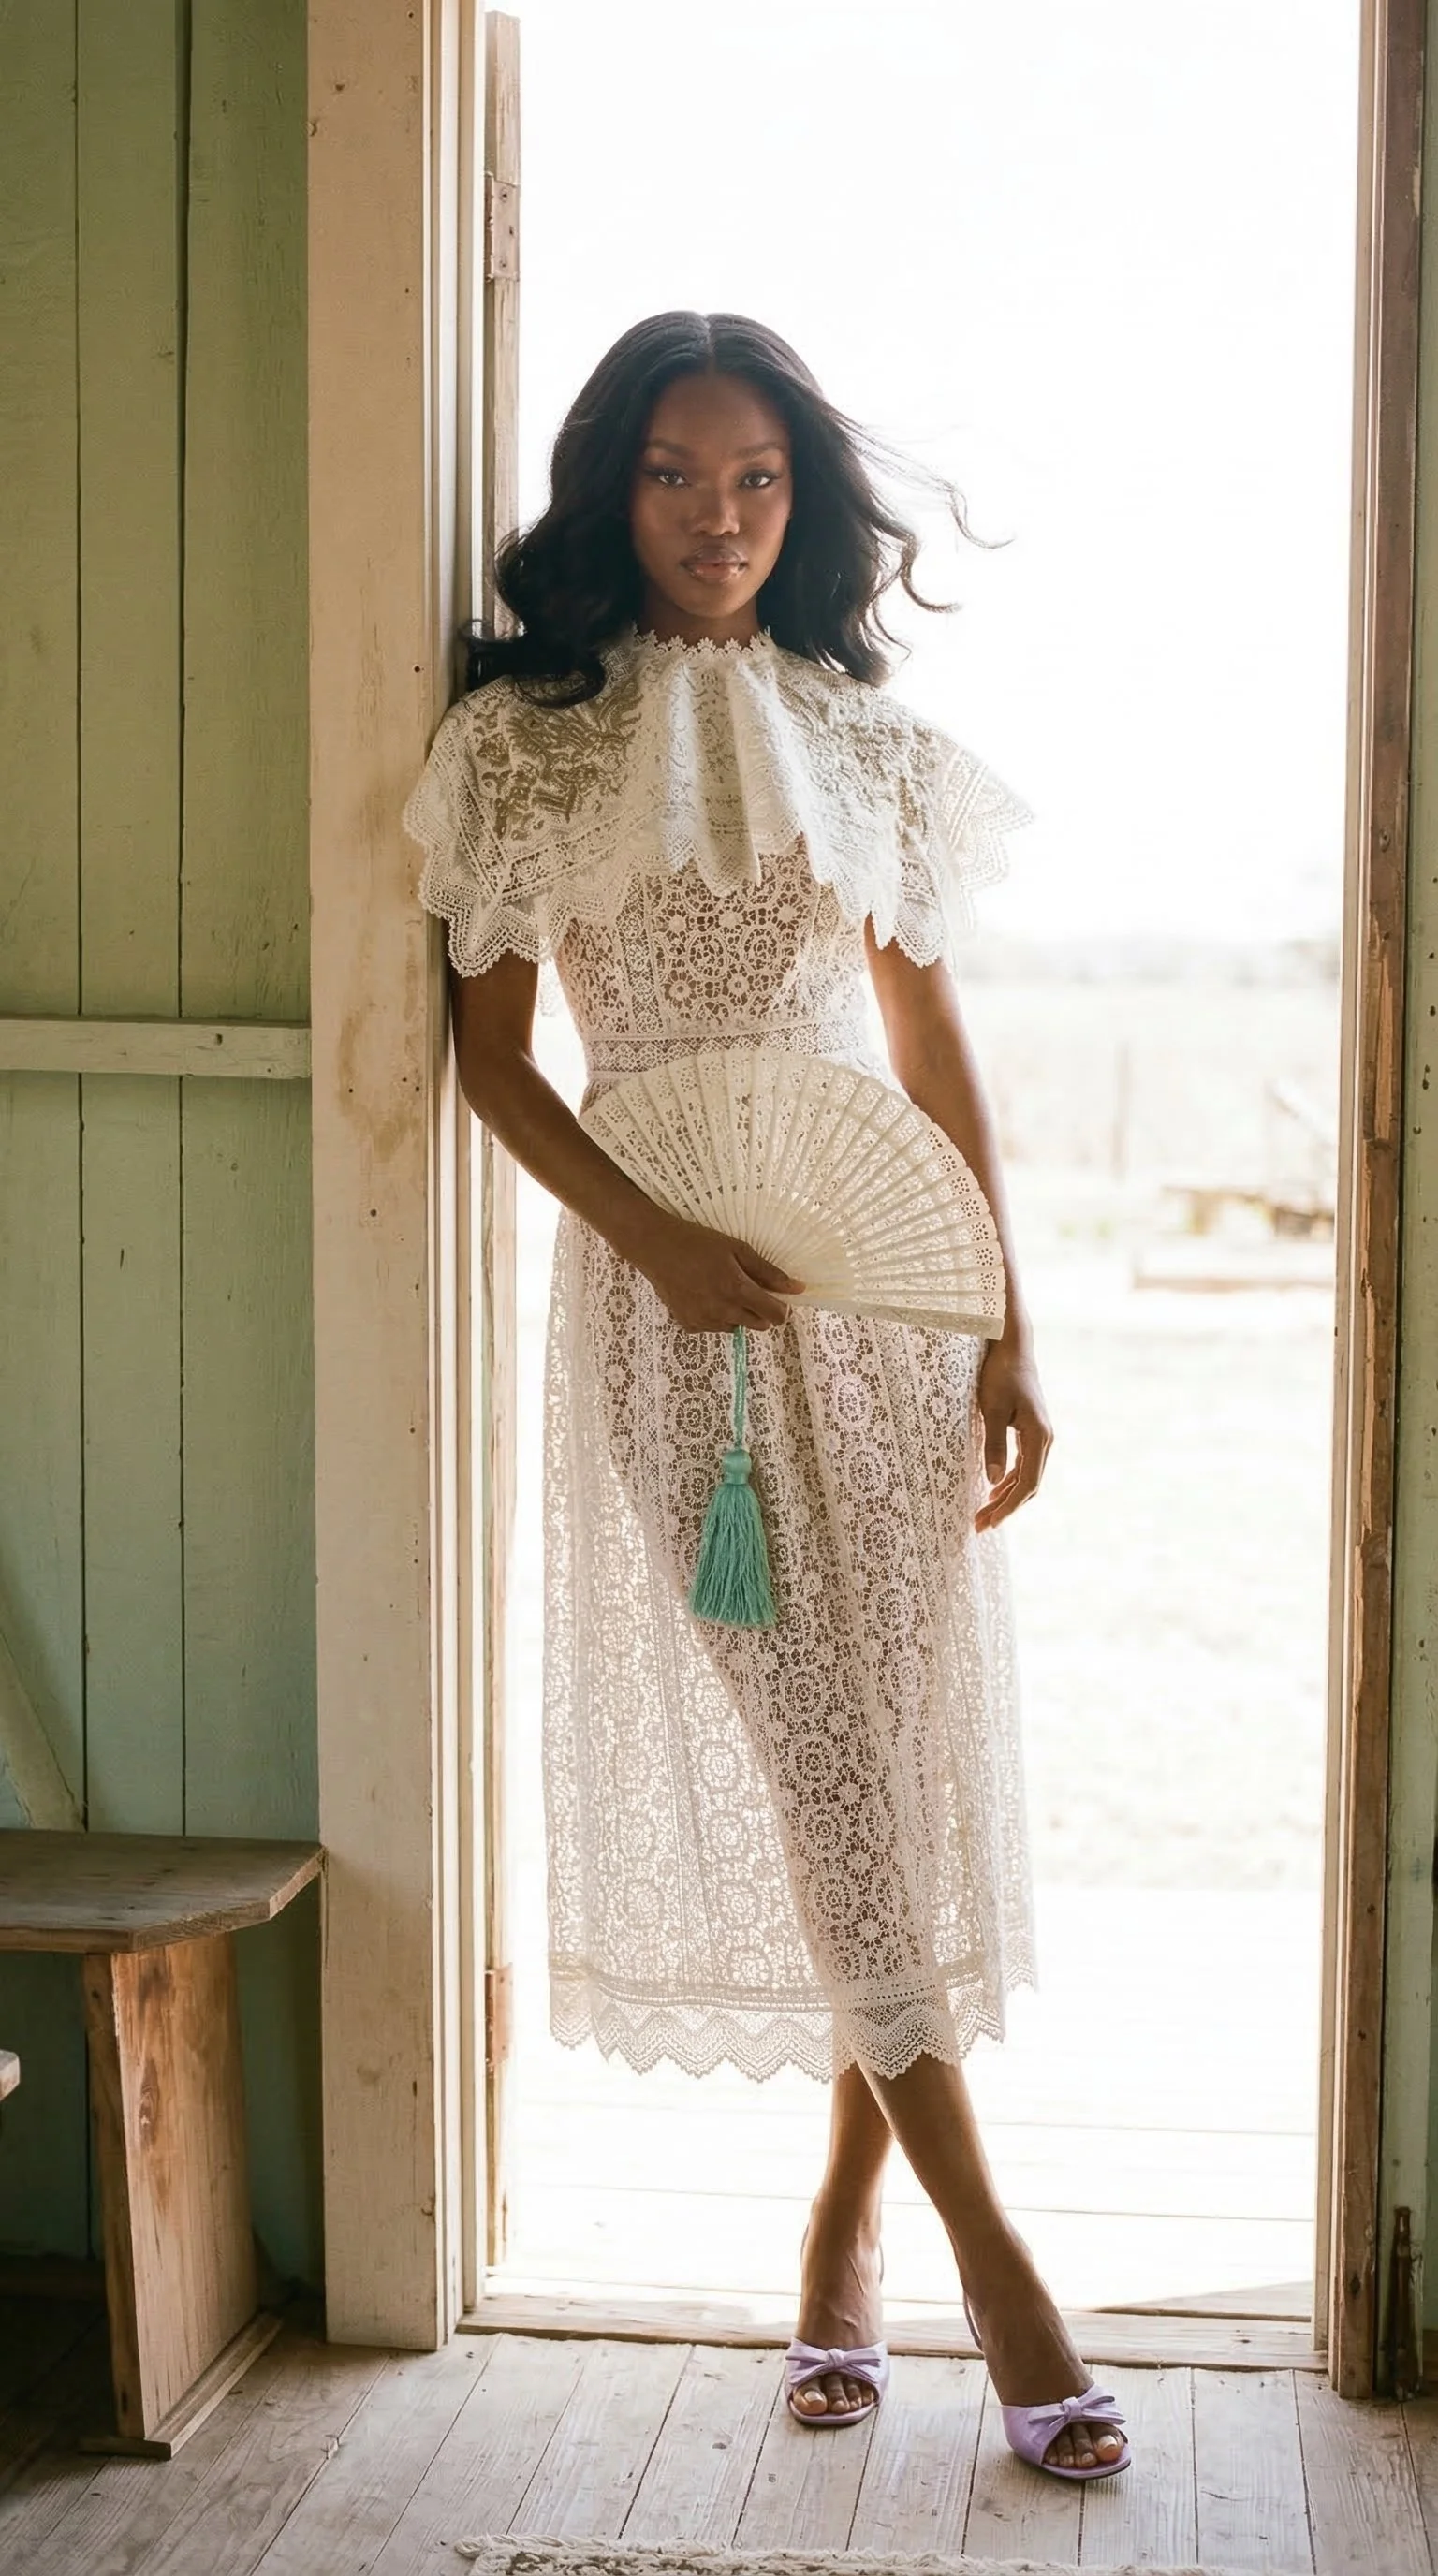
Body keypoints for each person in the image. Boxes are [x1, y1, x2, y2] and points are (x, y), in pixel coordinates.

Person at [404, 310, 1130, 2481]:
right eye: (672, 474)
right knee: (816, 1757)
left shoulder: (870, 743)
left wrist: (1002, 1320)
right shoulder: (528, 739)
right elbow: (490, 1060)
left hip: (883, 1297)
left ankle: (838, 2232)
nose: (717, 518)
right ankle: (999, 2263)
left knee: (884, 1773)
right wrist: (652, 1241)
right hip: (677, 1302)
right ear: (607, 485)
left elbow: (930, 1054)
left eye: (756, 482)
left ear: (799, 506)